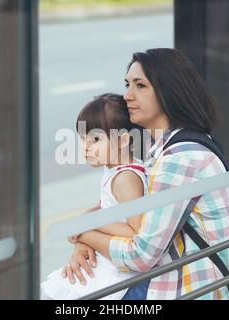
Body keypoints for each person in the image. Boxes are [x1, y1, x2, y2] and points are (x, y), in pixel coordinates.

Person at [62, 48, 229, 300]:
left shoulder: (179, 160)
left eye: (140, 86)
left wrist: (86, 233)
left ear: (168, 91)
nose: (127, 96)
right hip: (172, 279)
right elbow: (122, 213)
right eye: (127, 84)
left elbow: (141, 255)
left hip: (188, 289)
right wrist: (84, 238)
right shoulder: (167, 149)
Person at [41, 93, 148, 300]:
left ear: (123, 140)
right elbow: (106, 206)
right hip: (107, 257)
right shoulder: (114, 170)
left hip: (116, 270)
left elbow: (135, 230)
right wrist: (82, 220)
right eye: (83, 139)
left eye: (95, 139)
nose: (86, 147)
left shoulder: (126, 178)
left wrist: (90, 224)